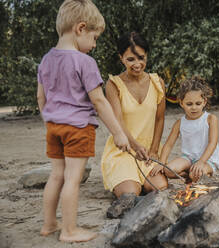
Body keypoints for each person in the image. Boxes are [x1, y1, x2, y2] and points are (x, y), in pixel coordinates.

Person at [36, 0, 130, 242]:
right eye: (95, 37)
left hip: (53, 126)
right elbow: (99, 101)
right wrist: (118, 133)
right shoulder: (84, 62)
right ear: (81, 28)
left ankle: (48, 224)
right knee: (72, 179)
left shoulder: (46, 59)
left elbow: (40, 96)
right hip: (78, 128)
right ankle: (69, 230)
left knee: (56, 175)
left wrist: (50, 122)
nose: (94, 44)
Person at [101, 32, 168, 198]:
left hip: (148, 152)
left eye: (141, 58)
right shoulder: (113, 84)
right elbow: (118, 120)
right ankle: (125, 179)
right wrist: (135, 147)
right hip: (123, 150)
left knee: (160, 188)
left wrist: (153, 151)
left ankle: (141, 179)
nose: (137, 64)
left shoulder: (157, 82)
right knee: (130, 193)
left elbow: (160, 119)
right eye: (131, 59)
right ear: (121, 58)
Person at [155, 76, 219, 183]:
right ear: (181, 103)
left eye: (198, 103)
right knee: (168, 170)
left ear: (204, 102)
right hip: (188, 158)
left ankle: (202, 174)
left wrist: (201, 162)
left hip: (207, 160)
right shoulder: (180, 123)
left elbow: (212, 143)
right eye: (189, 104)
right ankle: (189, 176)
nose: (194, 107)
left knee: (196, 174)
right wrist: (161, 163)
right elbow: (168, 145)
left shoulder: (210, 119)